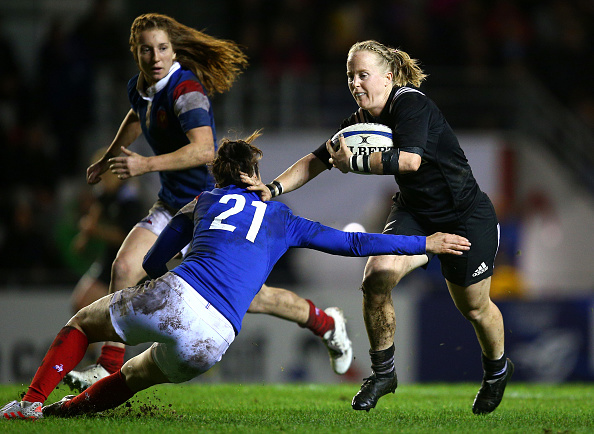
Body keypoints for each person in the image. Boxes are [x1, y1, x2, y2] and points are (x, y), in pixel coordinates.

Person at [0, 132, 471, 419]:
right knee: (138, 377)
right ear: (254, 174)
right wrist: (423, 243)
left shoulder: (201, 201)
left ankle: (32, 402)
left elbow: (153, 260)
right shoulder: (282, 217)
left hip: (179, 294)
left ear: (218, 175)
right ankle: (69, 413)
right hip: (217, 337)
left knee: (83, 321)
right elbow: (354, 244)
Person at [65, 12, 354, 392]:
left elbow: (204, 150)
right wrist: (109, 157)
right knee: (123, 267)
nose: (155, 57)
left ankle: (326, 323)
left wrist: (144, 164)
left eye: (163, 49)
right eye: (146, 50)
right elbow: (138, 114)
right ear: (135, 52)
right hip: (173, 204)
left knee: (257, 300)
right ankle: (107, 366)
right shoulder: (141, 86)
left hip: (211, 211)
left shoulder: (187, 93)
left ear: (173, 51)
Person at [241, 40, 513, 415]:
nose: (354, 83)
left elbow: (411, 161)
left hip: (465, 218)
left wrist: (354, 162)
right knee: (376, 278)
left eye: (362, 74)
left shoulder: (411, 103)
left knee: (474, 307)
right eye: (350, 75)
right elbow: (317, 160)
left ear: (387, 78)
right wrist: (271, 188)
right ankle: (383, 373)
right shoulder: (359, 122)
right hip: (414, 213)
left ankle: (497, 370)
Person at [69, 148, 145, 313]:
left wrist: (95, 231)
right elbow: (95, 213)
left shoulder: (129, 200)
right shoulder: (105, 192)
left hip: (127, 263)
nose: (102, 181)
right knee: (80, 306)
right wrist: (84, 238)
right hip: (110, 259)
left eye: (105, 176)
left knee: (95, 312)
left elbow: (126, 236)